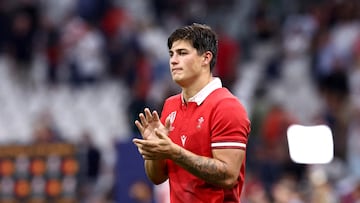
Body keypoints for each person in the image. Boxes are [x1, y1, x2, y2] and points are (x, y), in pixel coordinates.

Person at [133, 23, 251, 203]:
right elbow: (157, 178)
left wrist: (175, 153)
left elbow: (228, 176)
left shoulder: (227, 107)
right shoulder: (170, 105)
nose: (173, 60)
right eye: (171, 54)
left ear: (206, 58)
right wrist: (155, 152)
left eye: (182, 53)